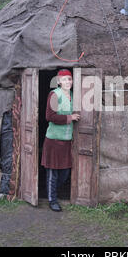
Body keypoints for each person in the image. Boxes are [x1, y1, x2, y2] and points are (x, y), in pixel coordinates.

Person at [41, 69, 80, 212]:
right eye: (64, 79)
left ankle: (50, 191)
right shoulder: (54, 94)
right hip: (53, 140)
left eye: (69, 79)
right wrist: (70, 118)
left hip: (67, 140)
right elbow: (49, 116)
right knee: (52, 172)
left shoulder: (71, 95)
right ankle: (52, 200)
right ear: (58, 81)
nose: (67, 82)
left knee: (65, 173)